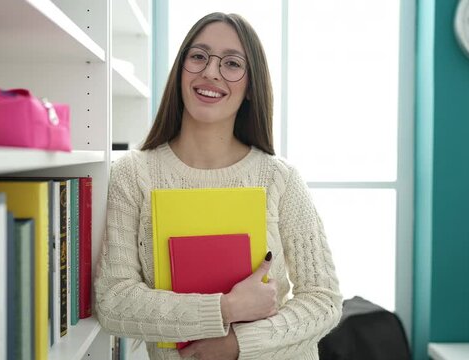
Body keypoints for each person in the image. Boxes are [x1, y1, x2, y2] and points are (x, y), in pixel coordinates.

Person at [95, 12, 342, 360]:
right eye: (198, 56)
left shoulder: (280, 179)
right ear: (180, 70)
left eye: (231, 63)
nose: (210, 72)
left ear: (251, 86)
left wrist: (238, 345)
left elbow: (324, 300)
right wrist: (224, 309)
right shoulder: (134, 174)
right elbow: (114, 302)